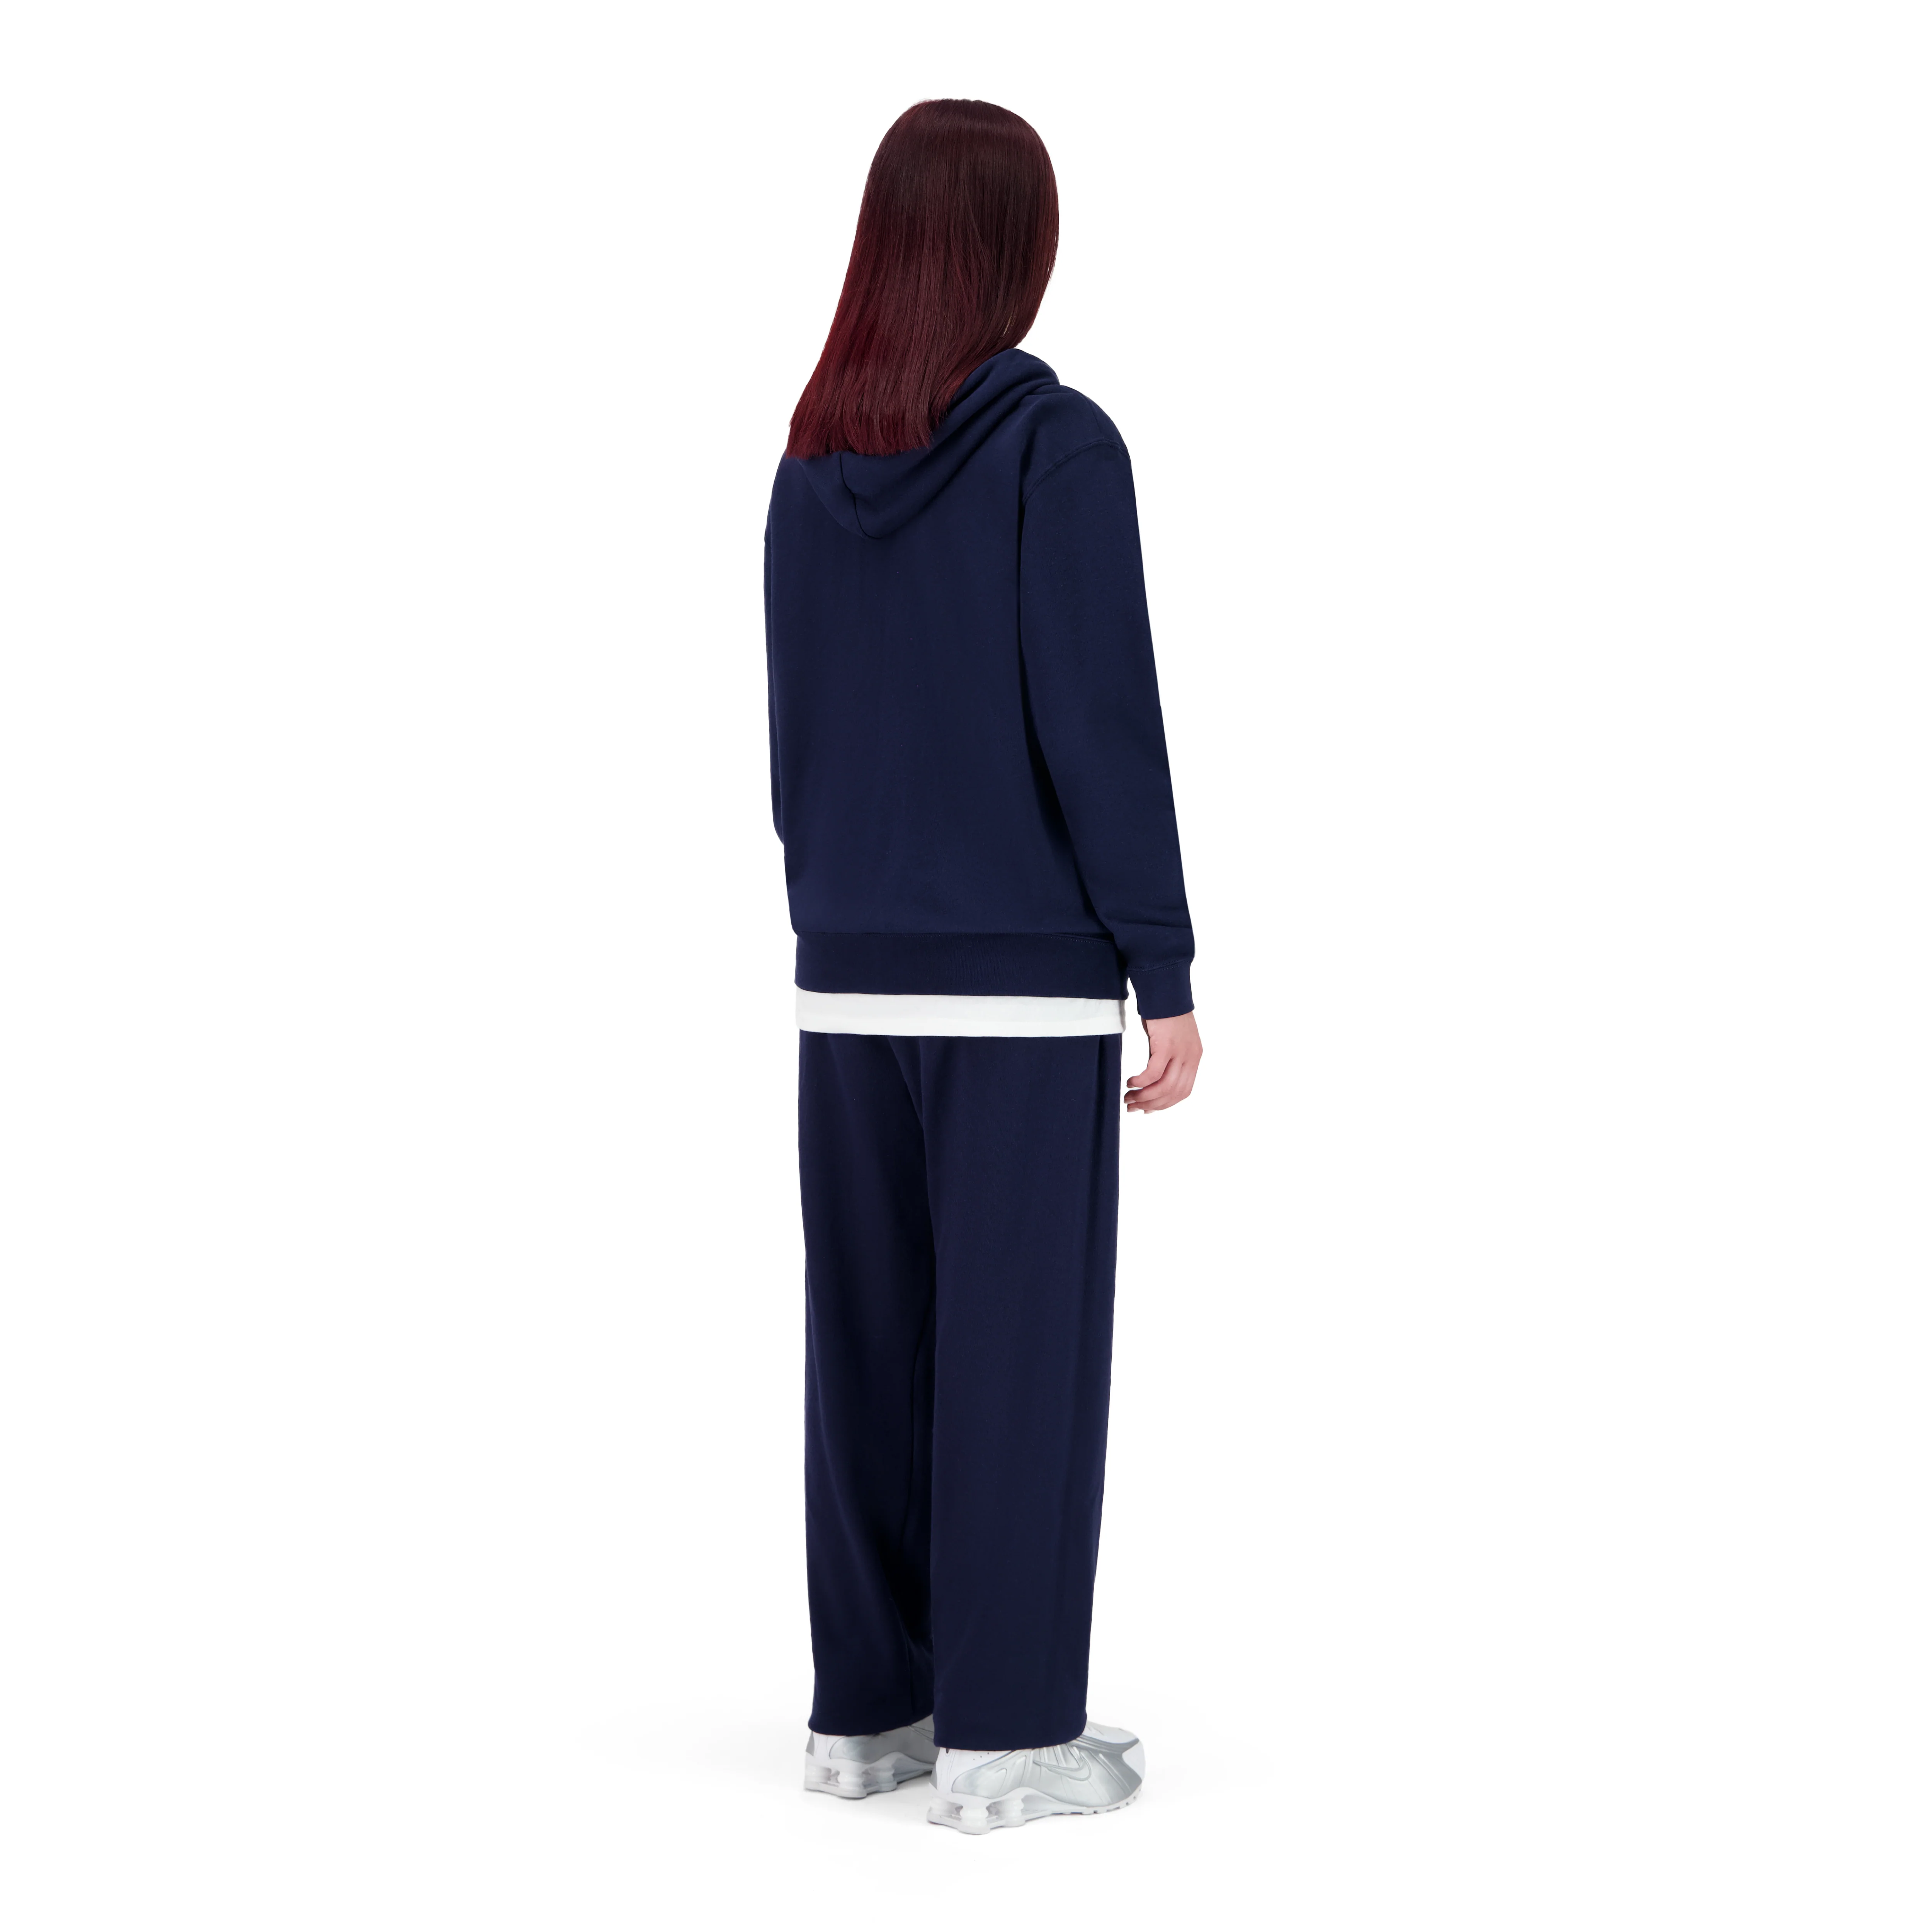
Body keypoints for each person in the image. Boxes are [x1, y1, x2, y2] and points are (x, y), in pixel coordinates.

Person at [764, 98, 1201, 1835]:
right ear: (1016, 248)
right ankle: (1009, 1737)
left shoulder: (811, 459)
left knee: (867, 1351)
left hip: (846, 974)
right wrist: (1160, 963)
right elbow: (1101, 723)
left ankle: (868, 1716)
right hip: (1016, 984)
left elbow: (795, 734)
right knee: (1018, 1359)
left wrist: (834, 909)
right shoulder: (1056, 450)